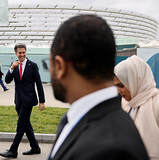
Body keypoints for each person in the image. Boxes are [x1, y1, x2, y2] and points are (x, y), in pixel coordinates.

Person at [47, 15, 148, 160]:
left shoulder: (111, 150)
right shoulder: (75, 119)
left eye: (48, 65)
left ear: (60, 66)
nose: (50, 71)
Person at [0, 44, 45, 158]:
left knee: (20, 125)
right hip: (18, 100)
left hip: (29, 100)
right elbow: (7, 81)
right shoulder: (14, 65)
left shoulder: (32, 65)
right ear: (16, 53)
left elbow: (39, 84)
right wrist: (11, 68)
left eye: (24, 52)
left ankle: (13, 150)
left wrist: (42, 101)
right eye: (20, 53)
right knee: (26, 124)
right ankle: (35, 147)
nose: (22, 55)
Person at [114, 55, 159, 160]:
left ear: (135, 81)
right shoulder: (126, 104)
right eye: (115, 85)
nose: (117, 91)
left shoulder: (155, 103)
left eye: (121, 85)